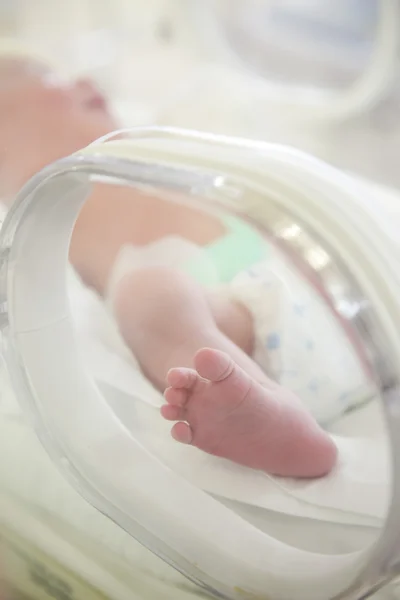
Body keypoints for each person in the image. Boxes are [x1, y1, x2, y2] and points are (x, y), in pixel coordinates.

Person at [0, 53, 338, 479]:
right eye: (49, 76)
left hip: (321, 291)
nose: (83, 78)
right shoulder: (32, 226)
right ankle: (258, 409)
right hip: (240, 326)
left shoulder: (162, 149)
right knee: (148, 293)